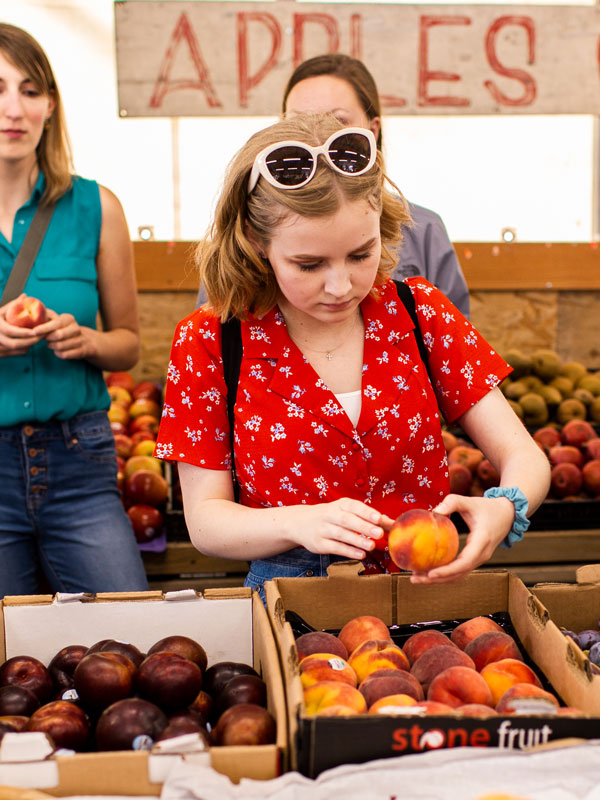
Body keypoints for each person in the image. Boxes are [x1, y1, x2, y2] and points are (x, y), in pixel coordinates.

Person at [155, 113, 550, 598]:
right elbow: (206, 522)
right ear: (258, 244)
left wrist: (504, 507)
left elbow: (525, 457)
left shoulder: (419, 313)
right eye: (309, 264)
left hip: (427, 591)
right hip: (294, 601)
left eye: (360, 254)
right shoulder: (211, 341)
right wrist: (298, 523)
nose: (340, 286)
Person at [0, 24, 149, 595]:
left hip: (78, 462)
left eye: (30, 90)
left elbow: (130, 343)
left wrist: (87, 342)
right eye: (0, 89)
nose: (14, 108)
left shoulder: (97, 207)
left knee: (126, 633)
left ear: (50, 105)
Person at [195, 53, 471, 318]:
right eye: (308, 264)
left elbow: (452, 342)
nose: (315, 134)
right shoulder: (247, 229)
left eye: (361, 255)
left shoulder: (424, 230)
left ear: (372, 131)